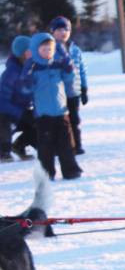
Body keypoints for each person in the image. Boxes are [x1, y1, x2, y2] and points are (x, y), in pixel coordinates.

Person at [28, 32, 82, 181]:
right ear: (35, 50)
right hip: (43, 115)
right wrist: (26, 74)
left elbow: (70, 78)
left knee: (67, 144)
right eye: (44, 49)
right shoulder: (34, 69)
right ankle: (46, 173)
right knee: (46, 148)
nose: (47, 52)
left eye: (50, 49)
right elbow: (26, 88)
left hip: (61, 112)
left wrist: (67, 65)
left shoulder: (57, 65)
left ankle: (71, 170)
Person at [49, 16, 88, 154]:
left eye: (66, 29)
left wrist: (84, 88)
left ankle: (76, 145)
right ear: (53, 32)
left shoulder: (75, 49)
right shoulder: (50, 50)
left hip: (73, 92)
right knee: (60, 121)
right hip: (58, 93)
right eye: (59, 29)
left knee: (75, 120)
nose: (63, 32)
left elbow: (81, 70)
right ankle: (61, 146)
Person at [0, 36, 34, 162]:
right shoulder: (11, 73)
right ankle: (3, 151)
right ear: (22, 54)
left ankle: (19, 145)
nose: (33, 52)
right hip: (6, 113)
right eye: (29, 50)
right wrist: (20, 113)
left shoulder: (32, 70)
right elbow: (2, 102)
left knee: (39, 121)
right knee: (3, 121)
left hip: (21, 111)